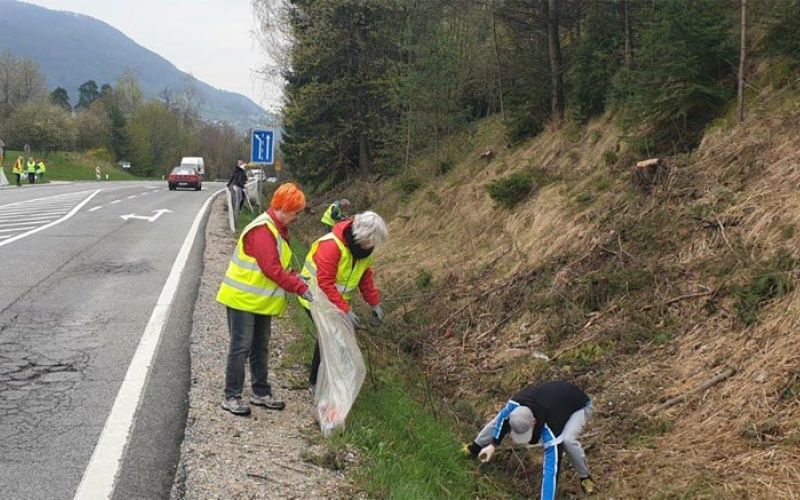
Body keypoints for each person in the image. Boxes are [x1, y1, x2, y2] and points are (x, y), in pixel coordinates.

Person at [216, 183, 314, 416]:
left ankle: (260, 392)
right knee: (241, 347)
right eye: (295, 212)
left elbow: (277, 266)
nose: (297, 217)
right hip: (241, 299)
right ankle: (231, 396)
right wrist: (298, 287)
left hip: (258, 301)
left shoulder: (277, 229)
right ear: (283, 207)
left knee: (260, 345)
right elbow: (271, 268)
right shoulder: (263, 229)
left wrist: (294, 276)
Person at [298, 211, 388, 392]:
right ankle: (316, 382)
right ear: (360, 235)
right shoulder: (332, 245)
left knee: (334, 338)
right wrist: (345, 310)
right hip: (314, 297)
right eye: (370, 241)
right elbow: (325, 283)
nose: (371, 245)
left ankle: (328, 381)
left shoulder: (363, 251)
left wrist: (374, 303)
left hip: (335, 302)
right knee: (329, 336)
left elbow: (365, 277)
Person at [464, 380, 596, 498]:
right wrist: (492, 445)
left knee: (568, 441)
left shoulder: (550, 427)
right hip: (553, 398)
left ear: (533, 422)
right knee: (497, 419)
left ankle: (585, 478)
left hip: (579, 406)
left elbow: (551, 468)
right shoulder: (515, 405)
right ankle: (472, 449)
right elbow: (501, 421)